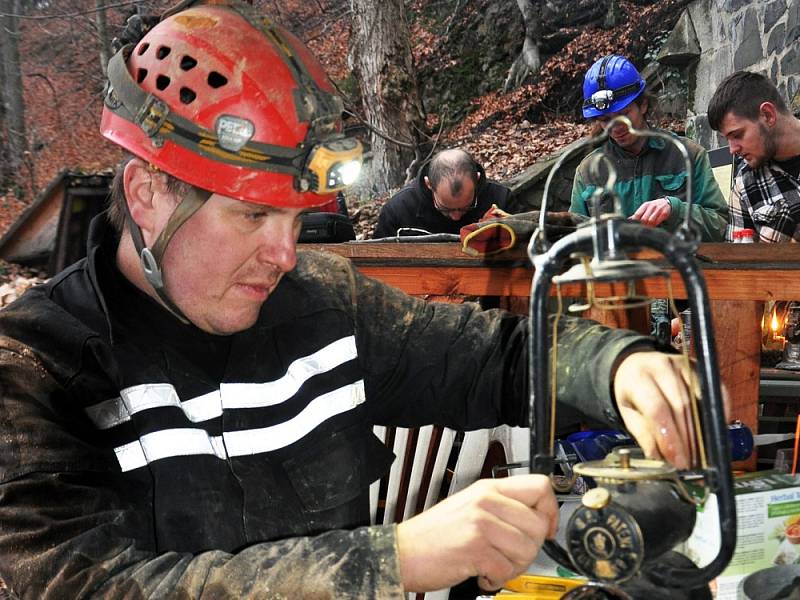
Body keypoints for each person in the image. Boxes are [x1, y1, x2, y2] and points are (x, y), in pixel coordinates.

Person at [0, 3, 703, 598]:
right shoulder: (35, 372)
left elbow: (490, 357)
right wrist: (393, 560)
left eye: (296, 221)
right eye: (252, 217)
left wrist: (617, 362)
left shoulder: (321, 303)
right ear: (149, 195)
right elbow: (94, 585)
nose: (285, 254)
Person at [570, 55, 729, 242]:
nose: (616, 126)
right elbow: (573, 239)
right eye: (605, 120)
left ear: (643, 104)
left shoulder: (688, 155)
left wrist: (675, 210)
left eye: (624, 114)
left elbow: (720, 226)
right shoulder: (587, 172)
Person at [707, 71, 800, 242]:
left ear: (768, 115)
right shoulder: (744, 185)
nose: (732, 150)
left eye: (737, 135)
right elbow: (737, 263)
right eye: (727, 139)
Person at [373, 148, 514, 238]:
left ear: (476, 180)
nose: (456, 217)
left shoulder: (501, 200)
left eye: (466, 207)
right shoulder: (399, 210)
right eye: (445, 209)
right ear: (429, 184)